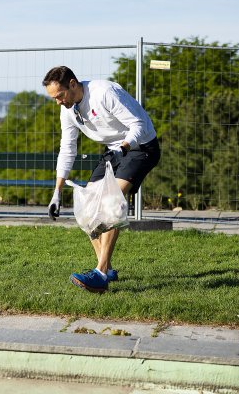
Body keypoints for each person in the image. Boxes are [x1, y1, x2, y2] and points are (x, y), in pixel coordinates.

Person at [42, 66, 160, 293]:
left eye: (59, 96)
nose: (57, 102)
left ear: (73, 84)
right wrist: (57, 192)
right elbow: (67, 149)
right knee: (87, 209)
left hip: (141, 147)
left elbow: (139, 124)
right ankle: (107, 269)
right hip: (113, 151)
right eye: (53, 98)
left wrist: (123, 149)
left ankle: (100, 274)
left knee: (111, 202)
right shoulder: (67, 110)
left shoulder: (104, 92)